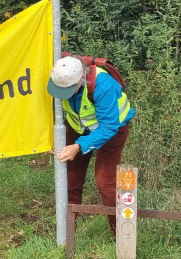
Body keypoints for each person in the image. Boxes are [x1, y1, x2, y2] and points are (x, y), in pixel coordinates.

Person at [47, 56, 135, 233]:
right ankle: (66, 233)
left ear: (81, 79)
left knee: (105, 181)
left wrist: (78, 146)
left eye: (69, 90)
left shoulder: (103, 85)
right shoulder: (59, 74)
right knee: (69, 178)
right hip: (77, 126)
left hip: (113, 130)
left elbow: (109, 126)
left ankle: (120, 234)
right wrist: (48, 137)